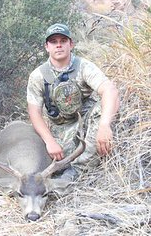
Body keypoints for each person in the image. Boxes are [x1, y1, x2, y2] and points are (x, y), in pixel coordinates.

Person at [27, 23, 119, 193]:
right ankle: (62, 173)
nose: (59, 45)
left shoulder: (84, 66)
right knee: (48, 163)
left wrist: (104, 126)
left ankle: (77, 172)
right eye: (53, 42)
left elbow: (109, 90)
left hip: (84, 123)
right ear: (47, 47)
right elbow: (34, 112)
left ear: (71, 44)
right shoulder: (38, 76)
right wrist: (49, 141)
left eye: (63, 40)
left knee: (102, 109)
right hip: (59, 130)